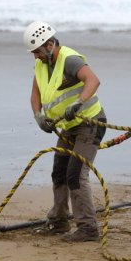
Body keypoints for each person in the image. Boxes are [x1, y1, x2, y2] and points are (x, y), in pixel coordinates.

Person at [24, 21, 107, 242]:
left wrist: (78, 103)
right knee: (59, 172)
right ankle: (59, 221)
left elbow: (93, 80)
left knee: (75, 175)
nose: (36, 57)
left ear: (49, 45)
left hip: (90, 124)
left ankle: (88, 228)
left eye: (37, 52)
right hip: (68, 128)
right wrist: (38, 116)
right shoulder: (42, 65)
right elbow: (36, 94)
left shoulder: (69, 60)